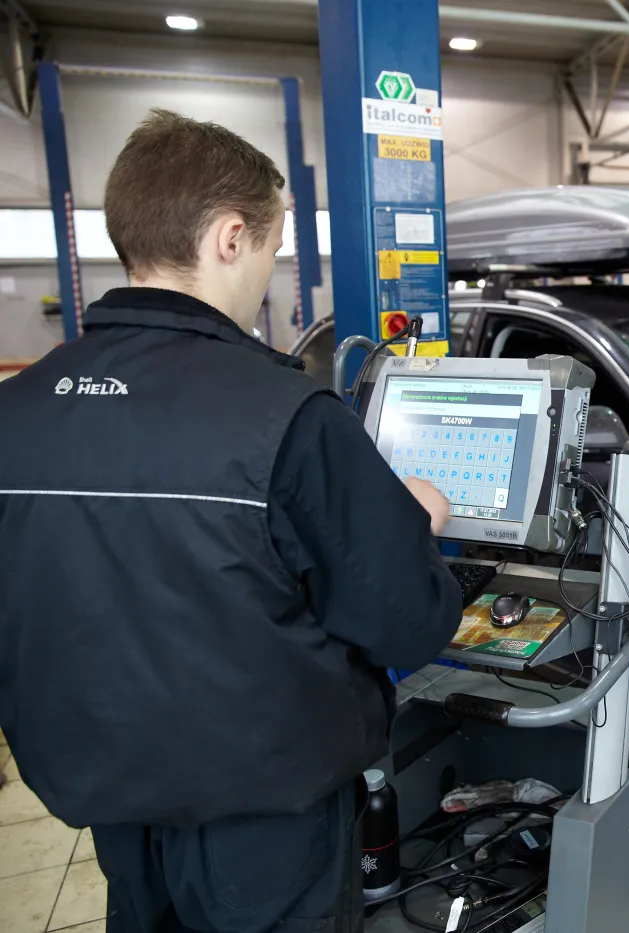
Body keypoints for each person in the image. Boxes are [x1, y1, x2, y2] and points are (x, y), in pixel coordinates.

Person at [0, 110, 462, 933]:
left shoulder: (19, 411)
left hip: (114, 806)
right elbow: (408, 622)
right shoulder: (289, 417)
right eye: (272, 248)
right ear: (230, 236)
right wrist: (411, 523)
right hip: (267, 824)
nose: (267, 271)